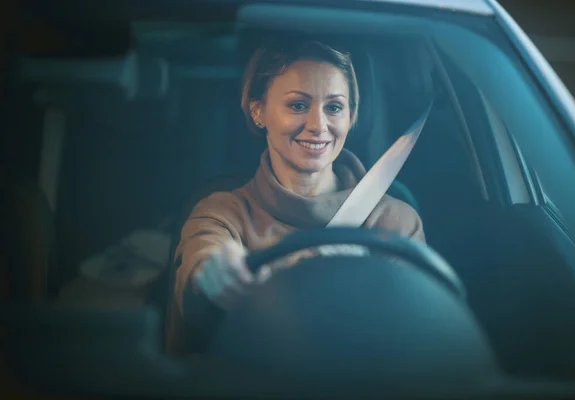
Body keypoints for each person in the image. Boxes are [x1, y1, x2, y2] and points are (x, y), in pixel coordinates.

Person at [166, 40, 425, 353]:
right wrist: (215, 275)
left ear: (352, 115)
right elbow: (202, 262)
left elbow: (418, 331)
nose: (318, 125)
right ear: (257, 110)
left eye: (334, 107)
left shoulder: (395, 220)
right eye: (298, 105)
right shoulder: (222, 211)